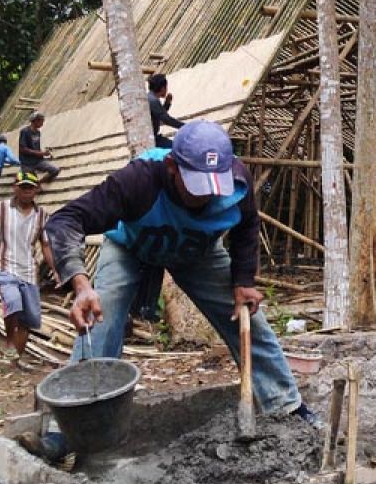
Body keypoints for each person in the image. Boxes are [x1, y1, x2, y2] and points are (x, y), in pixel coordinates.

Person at [44, 120, 316, 429]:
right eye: (198, 186)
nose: (206, 197)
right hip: (130, 247)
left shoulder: (239, 182)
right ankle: (74, 426)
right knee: (100, 321)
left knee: (249, 319)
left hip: (196, 252)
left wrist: (242, 282)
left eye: (215, 187)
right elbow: (65, 221)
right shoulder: (139, 179)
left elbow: (247, 227)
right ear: (173, 166)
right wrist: (80, 284)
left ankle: (284, 405)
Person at [0, 170, 57, 368]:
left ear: (36, 190)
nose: (26, 191)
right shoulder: (1, 209)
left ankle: (13, 358)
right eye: (22, 187)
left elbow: (45, 245)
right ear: (15, 188)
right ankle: (9, 343)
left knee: (29, 320)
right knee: (13, 301)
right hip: (6, 266)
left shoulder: (42, 216)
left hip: (30, 271)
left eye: (30, 187)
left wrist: (55, 270)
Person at [19, 111, 60, 183]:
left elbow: (37, 147)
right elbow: (22, 149)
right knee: (30, 184)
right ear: (36, 121)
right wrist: (40, 153)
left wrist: (45, 153)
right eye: (41, 121)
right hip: (27, 163)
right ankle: (36, 185)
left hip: (38, 161)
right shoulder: (25, 131)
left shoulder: (38, 132)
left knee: (55, 170)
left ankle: (39, 182)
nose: (42, 123)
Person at [147, 73, 185, 148]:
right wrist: (185, 126)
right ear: (162, 88)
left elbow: (159, 114)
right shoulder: (152, 100)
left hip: (154, 138)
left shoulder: (151, 97)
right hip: (152, 140)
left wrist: (167, 103)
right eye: (166, 87)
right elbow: (166, 119)